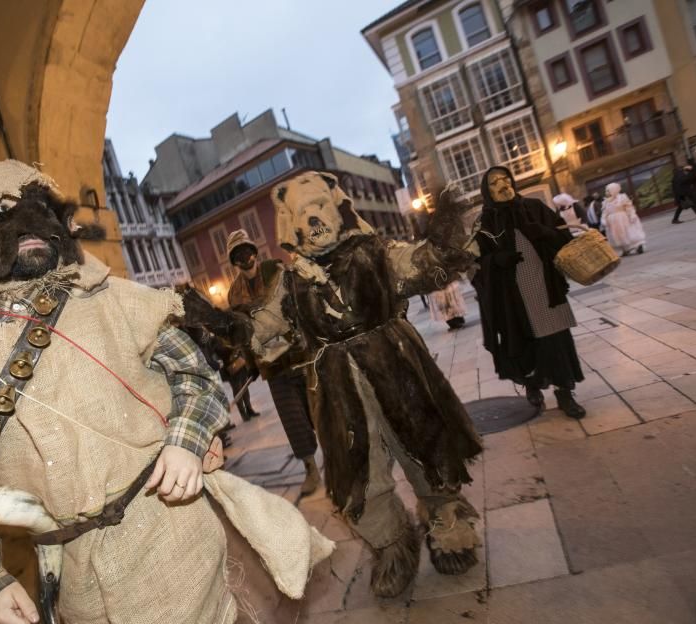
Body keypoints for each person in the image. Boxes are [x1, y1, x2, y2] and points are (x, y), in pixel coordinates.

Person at [0, 160, 333, 624]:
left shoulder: (123, 302)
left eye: (43, 210)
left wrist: (186, 440)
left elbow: (194, 374)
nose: (30, 225)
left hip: (168, 525)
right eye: (2, 213)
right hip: (75, 571)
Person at [188, 173, 484, 598]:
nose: (313, 222)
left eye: (319, 209)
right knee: (360, 473)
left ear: (338, 209)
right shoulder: (292, 283)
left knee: (426, 449)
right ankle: (392, 545)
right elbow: (260, 328)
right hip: (338, 384)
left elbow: (423, 266)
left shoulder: (374, 253)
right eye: (302, 215)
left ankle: (447, 524)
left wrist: (444, 235)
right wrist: (216, 320)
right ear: (290, 225)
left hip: (396, 364)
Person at [472, 166, 587, 419]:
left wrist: (545, 232)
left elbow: (564, 238)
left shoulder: (534, 208)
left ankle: (564, 393)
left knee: (556, 340)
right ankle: (532, 386)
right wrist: (497, 260)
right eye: (494, 182)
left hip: (545, 288)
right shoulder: (485, 223)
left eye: (505, 178)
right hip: (512, 297)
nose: (502, 184)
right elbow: (476, 264)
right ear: (487, 190)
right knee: (524, 342)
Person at [225, 229, 321, 496]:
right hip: (274, 368)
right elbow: (243, 334)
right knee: (293, 420)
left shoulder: (275, 270)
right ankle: (310, 467)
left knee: (319, 409)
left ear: (255, 252)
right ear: (233, 262)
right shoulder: (234, 295)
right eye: (238, 256)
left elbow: (299, 302)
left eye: (248, 252)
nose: (246, 259)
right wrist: (251, 364)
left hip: (301, 355)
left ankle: (337, 456)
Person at [600, 182, 646, 256]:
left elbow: (629, 207)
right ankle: (624, 249)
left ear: (614, 190)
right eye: (606, 191)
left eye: (608, 190)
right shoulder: (606, 202)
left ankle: (637, 245)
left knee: (628, 232)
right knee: (617, 235)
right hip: (612, 222)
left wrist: (632, 215)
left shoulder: (622, 197)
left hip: (623, 218)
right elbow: (605, 212)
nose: (606, 192)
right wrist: (603, 220)